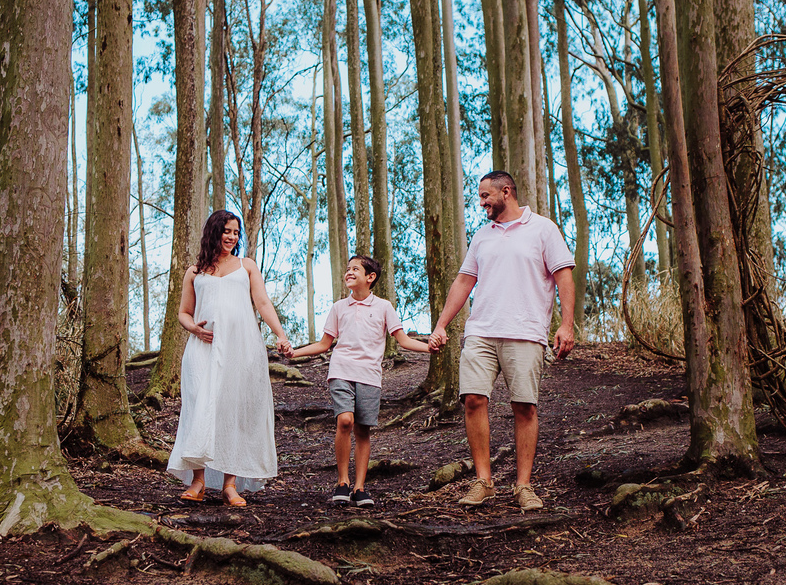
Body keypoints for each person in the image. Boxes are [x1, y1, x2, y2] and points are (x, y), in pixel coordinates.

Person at [428, 171, 576, 511]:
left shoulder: (543, 228)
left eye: (485, 196)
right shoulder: (482, 235)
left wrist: (566, 325)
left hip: (525, 331)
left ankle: (523, 486)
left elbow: (563, 275)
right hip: (481, 330)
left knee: (524, 406)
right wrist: (441, 324)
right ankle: (484, 480)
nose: (481, 203)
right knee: (474, 401)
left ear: (505, 192)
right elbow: (464, 282)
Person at [287, 255, 433, 507]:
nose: (349, 272)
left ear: (370, 277)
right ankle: (342, 481)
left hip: (370, 375)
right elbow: (324, 344)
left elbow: (403, 340)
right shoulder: (338, 308)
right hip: (341, 370)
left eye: (355, 269)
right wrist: (294, 353)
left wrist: (428, 348)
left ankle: (359, 487)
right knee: (345, 421)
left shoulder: (384, 307)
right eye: (347, 269)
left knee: (362, 430)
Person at [169, 210, 293, 507]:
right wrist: (194, 329)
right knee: (200, 408)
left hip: (241, 348)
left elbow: (262, 302)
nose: (232, 237)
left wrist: (280, 335)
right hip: (203, 349)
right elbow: (184, 313)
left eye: (236, 232)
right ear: (214, 231)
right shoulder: (195, 271)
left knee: (234, 412)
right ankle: (198, 482)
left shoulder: (246, 266)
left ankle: (230, 485)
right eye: (227, 230)